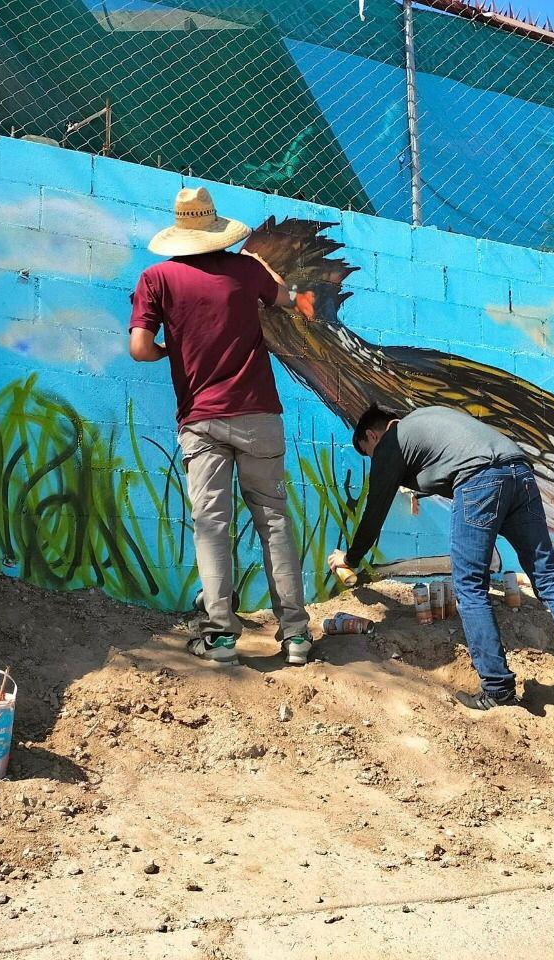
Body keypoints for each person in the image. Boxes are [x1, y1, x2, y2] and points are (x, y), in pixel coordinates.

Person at [130, 187, 312, 667]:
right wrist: (267, 272)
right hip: (259, 414)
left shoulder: (157, 279)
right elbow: (289, 300)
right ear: (215, 228)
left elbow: (140, 348)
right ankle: (294, 635)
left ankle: (221, 637)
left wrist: (175, 350)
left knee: (211, 524)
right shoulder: (247, 271)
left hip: (202, 418)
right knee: (273, 519)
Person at [327, 405, 554, 712]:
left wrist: (351, 558)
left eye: (368, 452)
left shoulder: (391, 442)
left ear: (372, 435)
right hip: (519, 471)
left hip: (479, 480)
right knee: (550, 577)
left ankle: (497, 688)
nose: (374, 459)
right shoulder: (426, 419)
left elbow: (374, 511)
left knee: (470, 585)